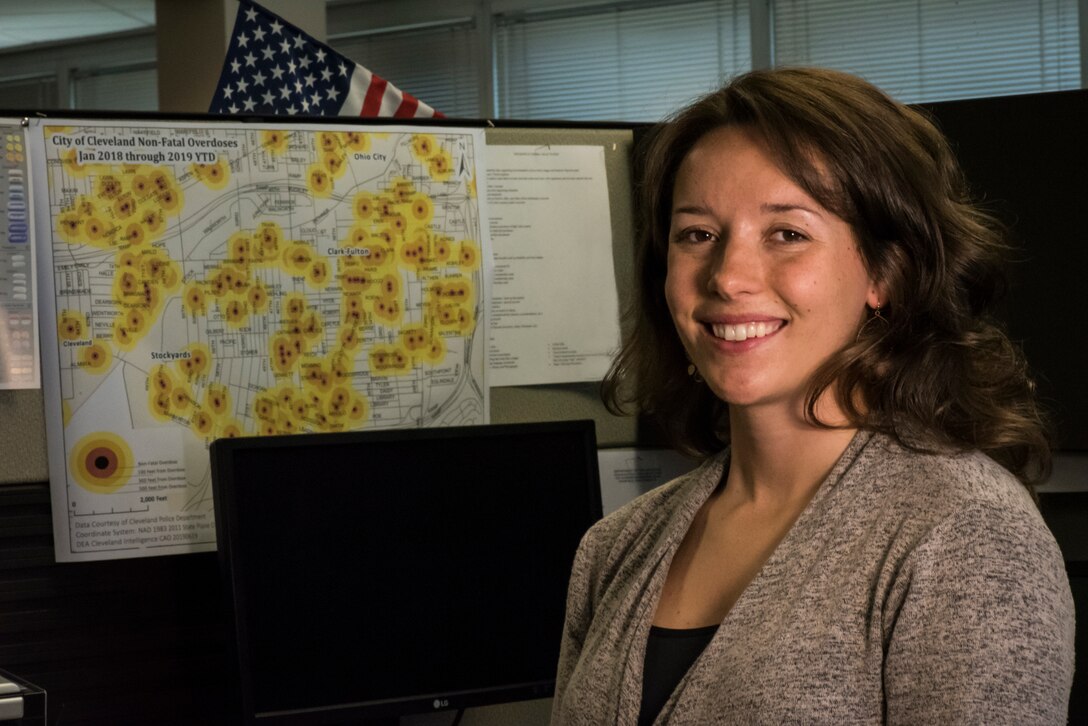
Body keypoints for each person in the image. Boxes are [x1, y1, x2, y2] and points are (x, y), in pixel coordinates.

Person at [550, 67, 1075, 725]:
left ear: (885, 272)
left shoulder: (966, 535)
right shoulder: (615, 548)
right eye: (698, 234)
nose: (728, 277)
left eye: (787, 234)